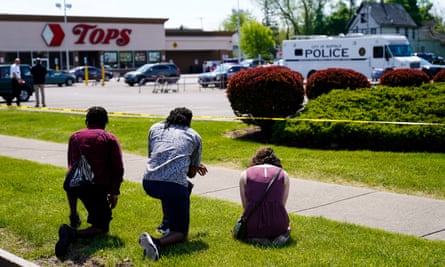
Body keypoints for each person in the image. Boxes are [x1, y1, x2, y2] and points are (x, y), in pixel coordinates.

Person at [139, 107, 208, 261]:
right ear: (189, 121)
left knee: (176, 186)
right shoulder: (194, 136)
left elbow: (155, 155)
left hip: (149, 182)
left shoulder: (155, 128)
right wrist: (194, 166)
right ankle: (156, 242)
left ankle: (166, 223)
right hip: (173, 186)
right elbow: (190, 174)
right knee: (181, 233)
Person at [55, 106, 124, 259]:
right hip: (96, 187)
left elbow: (71, 164)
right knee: (101, 227)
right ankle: (72, 233)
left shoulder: (74, 136)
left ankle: (73, 215)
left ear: (87, 121)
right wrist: (114, 192)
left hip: (73, 185)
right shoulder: (109, 138)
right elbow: (118, 168)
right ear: (105, 122)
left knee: (72, 183)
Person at [238, 147, 290, 246]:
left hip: (253, 223)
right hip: (278, 223)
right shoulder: (284, 174)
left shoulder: (245, 174)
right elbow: (282, 205)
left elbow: (245, 206)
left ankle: (257, 238)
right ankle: (280, 236)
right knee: (286, 227)